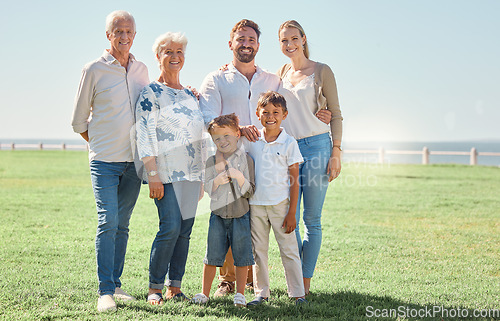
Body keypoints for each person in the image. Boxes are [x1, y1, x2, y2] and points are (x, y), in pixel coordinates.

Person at [71, 10, 149, 313]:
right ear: (108, 35)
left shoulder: (142, 69)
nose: (124, 37)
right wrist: (102, 145)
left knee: (123, 224)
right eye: (118, 31)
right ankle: (104, 291)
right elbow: (79, 121)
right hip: (104, 161)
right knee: (108, 221)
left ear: (134, 35)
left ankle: (116, 284)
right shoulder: (93, 69)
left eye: (129, 31)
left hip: (134, 162)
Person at [199, 19, 280, 296]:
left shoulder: (271, 79)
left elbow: (286, 106)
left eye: (251, 39)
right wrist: (236, 130)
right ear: (231, 43)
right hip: (226, 160)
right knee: (228, 219)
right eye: (241, 38)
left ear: (258, 44)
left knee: (254, 219)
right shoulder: (216, 78)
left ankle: (252, 279)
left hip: (262, 160)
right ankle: (227, 280)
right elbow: (207, 118)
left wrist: (321, 113)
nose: (246, 43)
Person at [135, 32, 205, 305]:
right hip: (164, 174)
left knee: (185, 231)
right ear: (158, 56)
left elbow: (199, 138)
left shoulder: (190, 94)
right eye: (168, 52)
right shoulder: (151, 93)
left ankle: (174, 287)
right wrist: (152, 174)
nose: (175, 56)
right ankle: (154, 288)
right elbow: (144, 134)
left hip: (191, 175)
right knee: (170, 226)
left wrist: (200, 179)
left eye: (179, 51)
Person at [277, 20, 343, 295]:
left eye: (294, 38)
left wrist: (336, 152)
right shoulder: (280, 72)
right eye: (284, 40)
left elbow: (336, 113)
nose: (289, 44)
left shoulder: (321, 70)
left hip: (317, 147)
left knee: (311, 221)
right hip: (289, 150)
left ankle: (303, 284)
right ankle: (296, 280)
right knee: (287, 218)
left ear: (303, 39)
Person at [243, 91, 307, 305]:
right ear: (257, 114)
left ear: (284, 115)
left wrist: (291, 213)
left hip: (281, 206)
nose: (270, 116)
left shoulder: (289, 143)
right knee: (258, 251)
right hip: (255, 206)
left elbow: (295, 181)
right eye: (266, 112)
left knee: (289, 251)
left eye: (276, 112)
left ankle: (298, 294)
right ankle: (261, 293)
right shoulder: (251, 140)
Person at [191, 114, 255, 307]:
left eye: (226, 135)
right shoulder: (211, 162)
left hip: (240, 216)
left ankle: (241, 294)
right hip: (217, 217)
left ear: (237, 133)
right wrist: (216, 182)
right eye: (217, 138)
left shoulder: (247, 160)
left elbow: (251, 190)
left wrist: (240, 178)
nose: (222, 141)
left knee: (242, 256)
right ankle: (204, 293)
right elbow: (208, 189)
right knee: (212, 256)